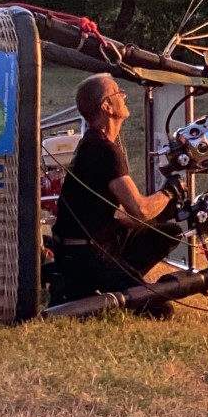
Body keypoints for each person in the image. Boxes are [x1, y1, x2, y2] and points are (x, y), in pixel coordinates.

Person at [50, 73, 182, 317]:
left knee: (169, 232)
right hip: (87, 253)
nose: (124, 95)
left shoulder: (93, 142)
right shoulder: (103, 150)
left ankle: (123, 278)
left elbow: (118, 216)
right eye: (117, 92)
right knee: (161, 310)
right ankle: (111, 285)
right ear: (106, 106)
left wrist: (162, 212)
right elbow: (139, 209)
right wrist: (170, 191)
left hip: (86, 243)